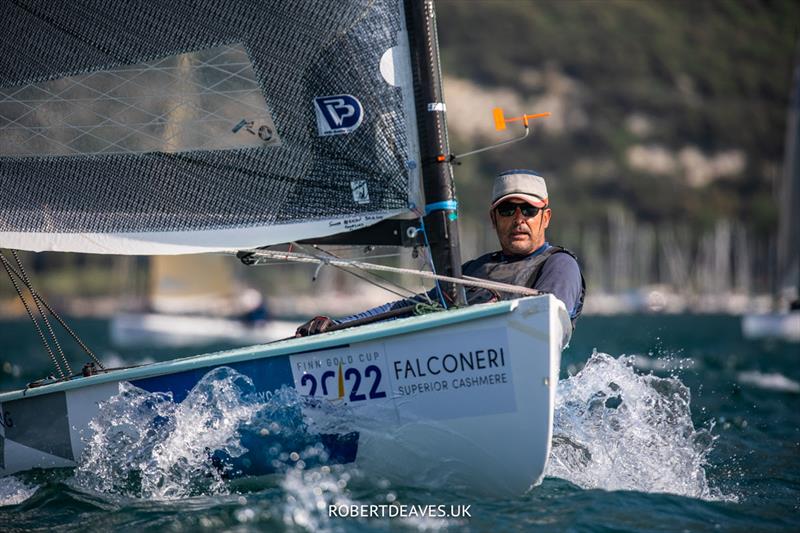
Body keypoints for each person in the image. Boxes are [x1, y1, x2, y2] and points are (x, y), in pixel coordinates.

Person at [296, 169, 585, 337]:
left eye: (529, 210)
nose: (519, 219)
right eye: (508, 210)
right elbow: (406, 309)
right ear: (494, 219)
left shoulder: (559, 265)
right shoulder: (473, 271)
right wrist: (338, 326)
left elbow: (548, 323)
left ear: (545, 218)